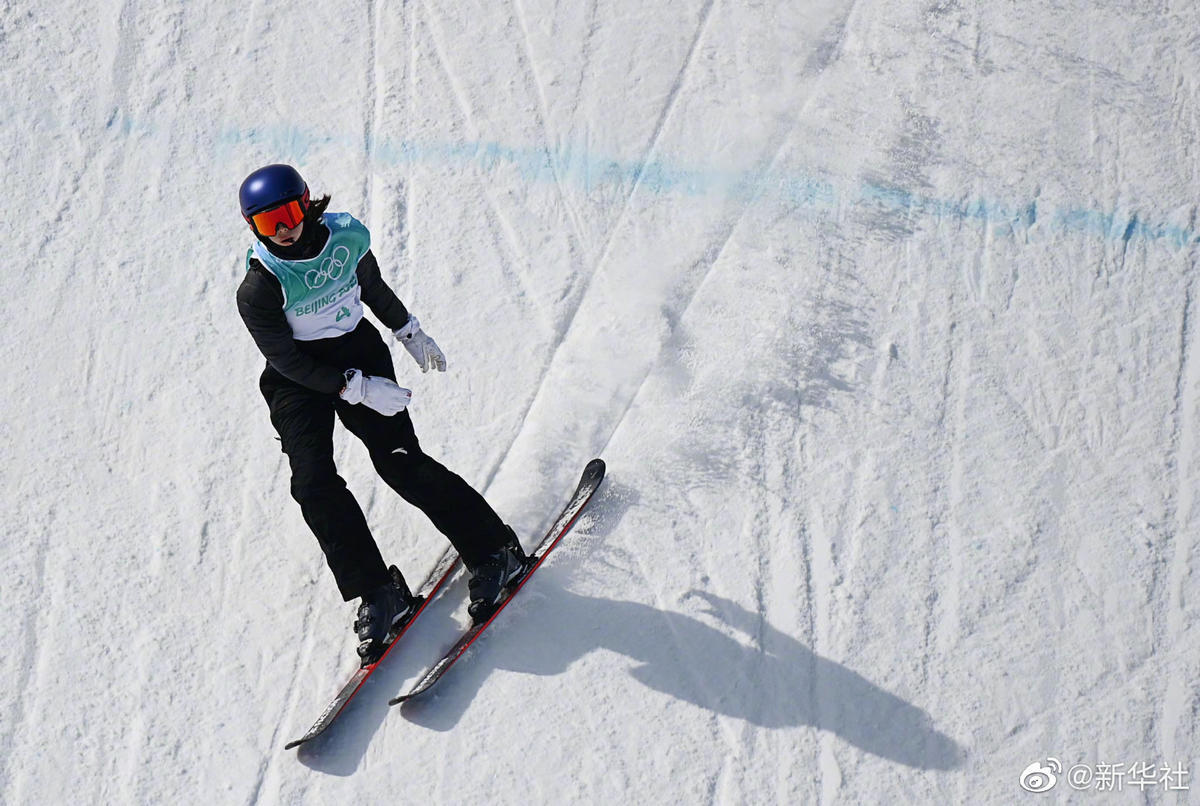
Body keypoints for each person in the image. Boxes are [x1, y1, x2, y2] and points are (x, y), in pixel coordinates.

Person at [236, 164, 526, 665]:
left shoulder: (344, 238)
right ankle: (378, 591)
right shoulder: (259, 287)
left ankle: (495, 549)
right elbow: (286, 359)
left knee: (399, 461)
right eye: (267, 223)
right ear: (254, 229)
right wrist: (354, 388)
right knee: (312, 483)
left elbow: (371, 286)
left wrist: (408, 332)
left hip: (357, 350)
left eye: (286, 213)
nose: (282, 229)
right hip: (298, 381)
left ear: (305, 203)